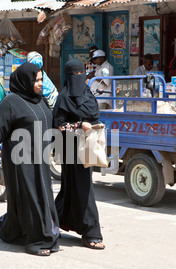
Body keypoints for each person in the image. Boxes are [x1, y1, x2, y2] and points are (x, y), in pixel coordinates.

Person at [0, 62, 60, 256]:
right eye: (37, 80)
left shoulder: (40, 100)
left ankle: (30, 232)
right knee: (30, 197)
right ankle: (36, 240)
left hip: (40, 158)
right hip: (20, 160)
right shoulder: (10, 102)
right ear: (25, 80)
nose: (40, 84)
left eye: (41, 79)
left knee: (44, 196)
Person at [52, 59, 105, 250]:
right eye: (74, 75)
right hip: (69, 149)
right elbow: (58, 124)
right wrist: (78, 125)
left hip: (87, 149)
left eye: (80, 74)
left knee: (75, 188)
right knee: (79, 188)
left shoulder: (88, 95)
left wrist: (95, 126)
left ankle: (53, 220)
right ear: (68, 76)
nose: (78, 78)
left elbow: (94, 114)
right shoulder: (64, 97)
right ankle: (91, 232)